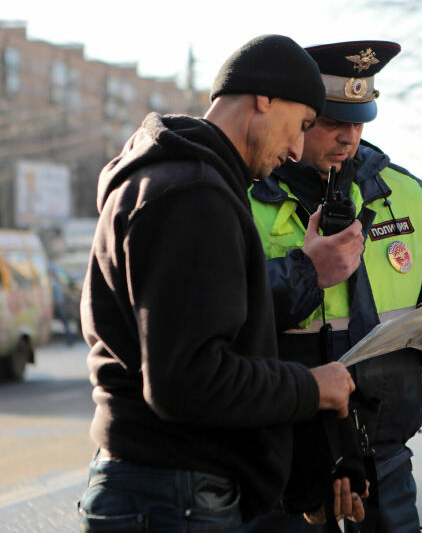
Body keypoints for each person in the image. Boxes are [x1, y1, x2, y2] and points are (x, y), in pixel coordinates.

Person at [77, 35, 364, 531]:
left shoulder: (170, 180)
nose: (296, 149)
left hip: (162, 488)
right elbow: (187, 380)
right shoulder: (193, 195)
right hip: (175, 495)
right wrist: (311, 386)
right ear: (264, 97)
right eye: (301, 126)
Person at [249, 40, 422, 532]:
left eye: (359, 121)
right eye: (332, 122)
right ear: (303, 116)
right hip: (280, 466)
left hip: (382, 462)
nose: (348, 138)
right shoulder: (246, 194)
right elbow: (223, 310)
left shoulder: (403, 191)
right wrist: (307, 271)